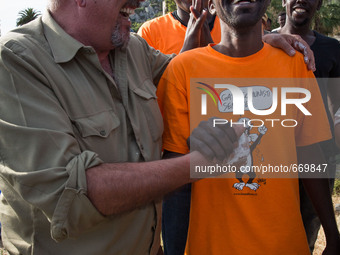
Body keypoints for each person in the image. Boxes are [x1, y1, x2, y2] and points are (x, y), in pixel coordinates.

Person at [0, 0, 246, 254]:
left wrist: (257, 44)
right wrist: (196, 164)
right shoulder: (17, 59)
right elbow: (71, 193)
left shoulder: (134, 49)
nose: (139, 2)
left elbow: (191, 74)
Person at [156, 0, 340, 253]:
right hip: (210, 245)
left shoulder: (294, 65)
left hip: (285, 245)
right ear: (210, 3)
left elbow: (309, 152)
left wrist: (332, 234)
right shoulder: (182, 70)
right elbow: (173, 177)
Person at [279, 0, 340, 252]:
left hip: (319, 159)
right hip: (276, 160)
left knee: (306, 234)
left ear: (320, 3)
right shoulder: (263, 44)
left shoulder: (332, 49)